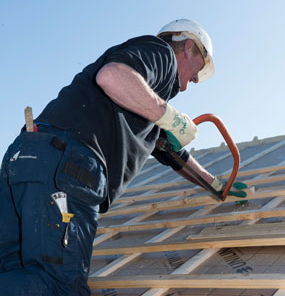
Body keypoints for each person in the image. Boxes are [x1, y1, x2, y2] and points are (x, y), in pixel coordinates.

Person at [0, 19, 246, 295]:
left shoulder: (143, 106)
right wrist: (171, 117)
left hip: (24, 159)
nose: (193, 82)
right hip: (67, 164)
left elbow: (173, 153)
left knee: (14, 272)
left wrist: (214, 184)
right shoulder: (161, 53)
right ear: (188, 47)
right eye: (198, 69)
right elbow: (113, 76)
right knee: (57, 286)